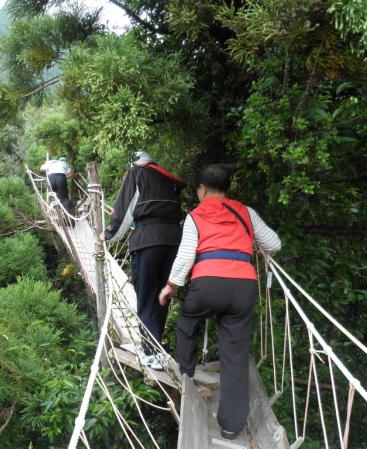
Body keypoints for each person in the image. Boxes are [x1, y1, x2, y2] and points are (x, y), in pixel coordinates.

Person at [158, 164, 281, 440]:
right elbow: (274, 243)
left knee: (188, 322)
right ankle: (231, 426)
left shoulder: (195, 216)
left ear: (201, 190)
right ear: (227, 188)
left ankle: (186, 374)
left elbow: (186, 256)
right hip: (243, 287)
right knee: (235, 353)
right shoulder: (246, 212)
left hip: (208, 285)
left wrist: (170, 287)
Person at [100, 151, 185, 370]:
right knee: (162, 295)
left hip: (147, 241)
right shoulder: (167, 179)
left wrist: (108, 235)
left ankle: (151, 351)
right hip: (174, 241)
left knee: (146, 295)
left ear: (134, 165)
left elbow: (124, 211)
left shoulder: (137, 174)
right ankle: (157, 347)